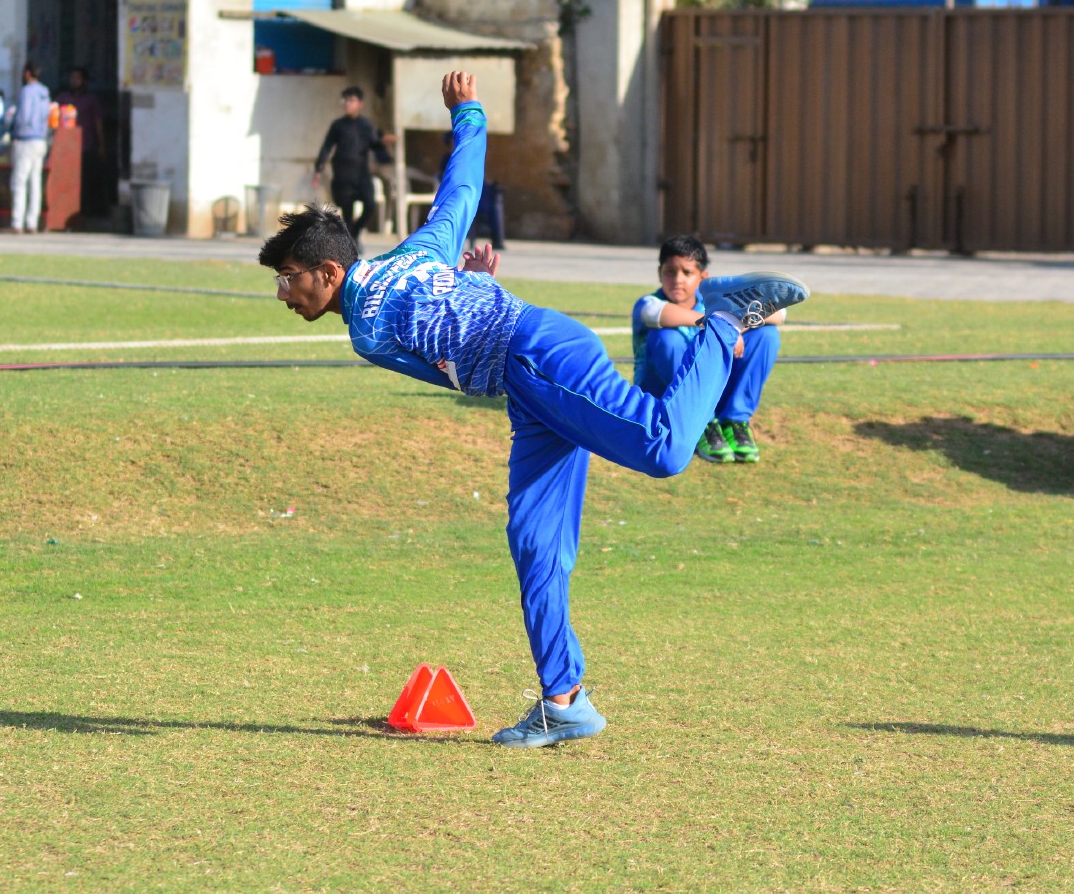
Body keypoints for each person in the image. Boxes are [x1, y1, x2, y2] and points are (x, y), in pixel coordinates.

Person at [262, 72, 809, 748]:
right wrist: (468, 113)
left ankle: (722, 319)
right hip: (528, 380)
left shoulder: (367, 333)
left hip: (533, 356)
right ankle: (563, 702)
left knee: (664, 450)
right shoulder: (417, 252)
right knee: (535, 546)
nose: (283, 293)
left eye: (287, 277)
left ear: (328, 272)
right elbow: (460, 193)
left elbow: (454, 373)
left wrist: (464, 300)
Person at [631, 234, 783, 464]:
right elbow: (660, 314)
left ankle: (735, 422)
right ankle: (701, 425)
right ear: (660, 273)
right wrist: (723, 324)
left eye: (687, 272)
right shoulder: (649, 303)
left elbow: (780, 314)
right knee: (667, 338)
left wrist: (737, 324)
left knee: (766, 335)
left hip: (708, 392)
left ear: (703, 277)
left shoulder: (714, 303)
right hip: (663, 397)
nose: (677, 280)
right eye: (670, 272)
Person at [311, 85, 393, 241]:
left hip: (361, 174)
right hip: (343, 174)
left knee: (370, 205)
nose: (347, 104)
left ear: (360, 104)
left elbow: (375, 145)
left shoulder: (366, 125)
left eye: (351, 100)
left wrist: (383, 143)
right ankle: (352, 242)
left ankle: (354, 235)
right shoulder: (338, 125)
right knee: (347, 212)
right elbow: (327, 146)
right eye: (345, 100)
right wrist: (319, 169)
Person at [55, 67, 109, 216]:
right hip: (65, 148)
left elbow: (98, 122)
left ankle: (83, 213)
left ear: (84, 81)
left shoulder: (91, 100)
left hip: (85, 146)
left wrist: (101, 145)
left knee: (84, 182)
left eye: (78, 78)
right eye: (72, 78)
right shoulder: (63, 98)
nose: (74, 81)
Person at [7, 60, 51, 234]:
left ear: (26, 73)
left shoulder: (26, 91)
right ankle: (32, 222)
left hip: (25, 139)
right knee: (35, 182)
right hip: (40, 139)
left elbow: (23, 116)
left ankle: (17, 222)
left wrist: (14, 133)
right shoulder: (44, 92)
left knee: (19, 181)